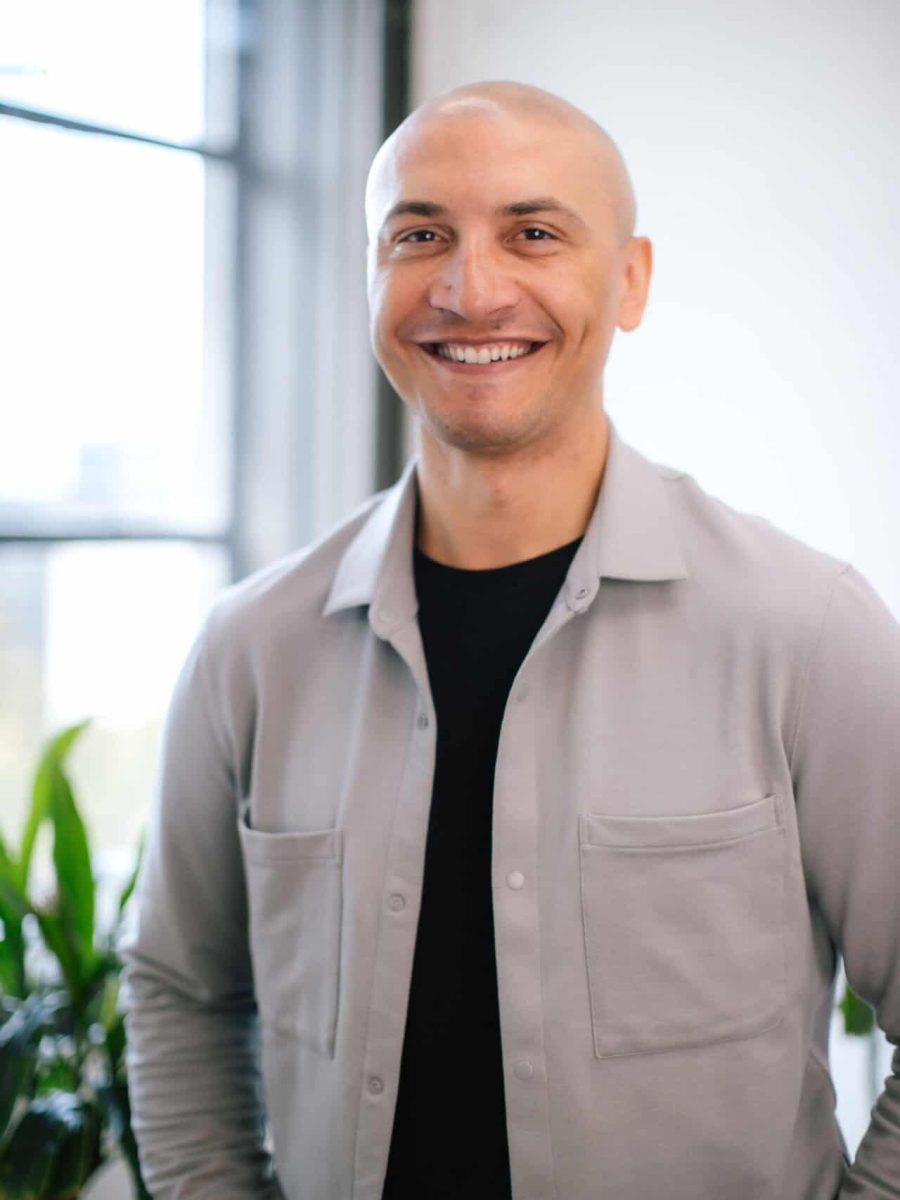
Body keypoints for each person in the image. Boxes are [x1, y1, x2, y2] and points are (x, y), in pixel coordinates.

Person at [120, 80, 900, 1199]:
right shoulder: (250, 649)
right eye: (419, 234)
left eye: (533, 233)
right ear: (372, 277)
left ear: (628, 281)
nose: (468, 288)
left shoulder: (807, 631)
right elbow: (182, 994)